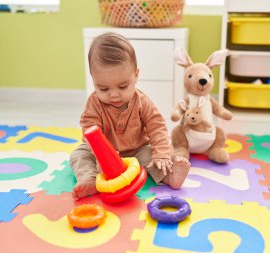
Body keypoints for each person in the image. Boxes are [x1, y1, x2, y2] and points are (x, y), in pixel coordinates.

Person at [70, 32, 191, 200]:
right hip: (104, 155)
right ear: (93, 80)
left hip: (137, 149)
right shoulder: (94, 103)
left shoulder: (142, 101)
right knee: (79, 154)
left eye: (123, 86)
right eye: (103, 89)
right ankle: (89, 179)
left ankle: (171, 177)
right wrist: (103, 158)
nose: (113, 95)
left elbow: (157, 127)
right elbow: (90, 132)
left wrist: (161, 154)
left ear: (136, 75)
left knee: (155, 156)